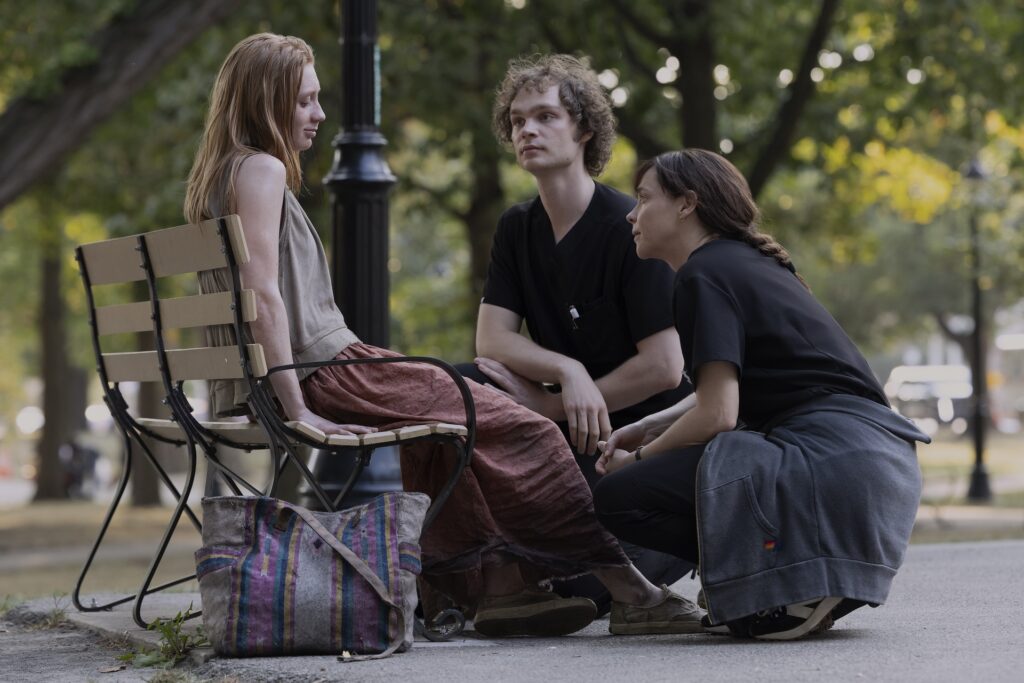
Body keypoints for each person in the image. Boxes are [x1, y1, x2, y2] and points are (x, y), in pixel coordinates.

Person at [184, 33, 704, 638]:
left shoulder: (225, 175)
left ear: (584, 130)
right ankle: (630, 589)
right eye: (305, 101)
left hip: (300, 373)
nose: (319, 114)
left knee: (452, 420)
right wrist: (297, 405)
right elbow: (263, 294)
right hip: (321, 371)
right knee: (522, 427)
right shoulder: (263, 169)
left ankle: (500, 585)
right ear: (265, 100)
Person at [593, 149, 929, 640]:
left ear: (687, 204)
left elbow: (718, 414)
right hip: (875, 472)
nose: (631, 213)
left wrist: (638, 456)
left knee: (620, 497)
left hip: (832, 463)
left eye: (644, 198)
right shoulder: (742, 263)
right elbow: (740, 384)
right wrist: (652, 423)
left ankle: (784, 583)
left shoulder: (702, 274)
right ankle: (796, 582)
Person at [465, 54, 695, 612]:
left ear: (585, 129)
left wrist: (554, 409)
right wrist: (565, 376)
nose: (528, 130)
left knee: (578, 587)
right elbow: (492, 341)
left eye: (546, 117)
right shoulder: (518, 228)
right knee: (460, 385)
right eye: (518, 121)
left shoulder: (630, 227)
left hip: (638, 450)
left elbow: (665, 367)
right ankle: (500, 574)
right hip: (562, 439)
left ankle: (565, 569)